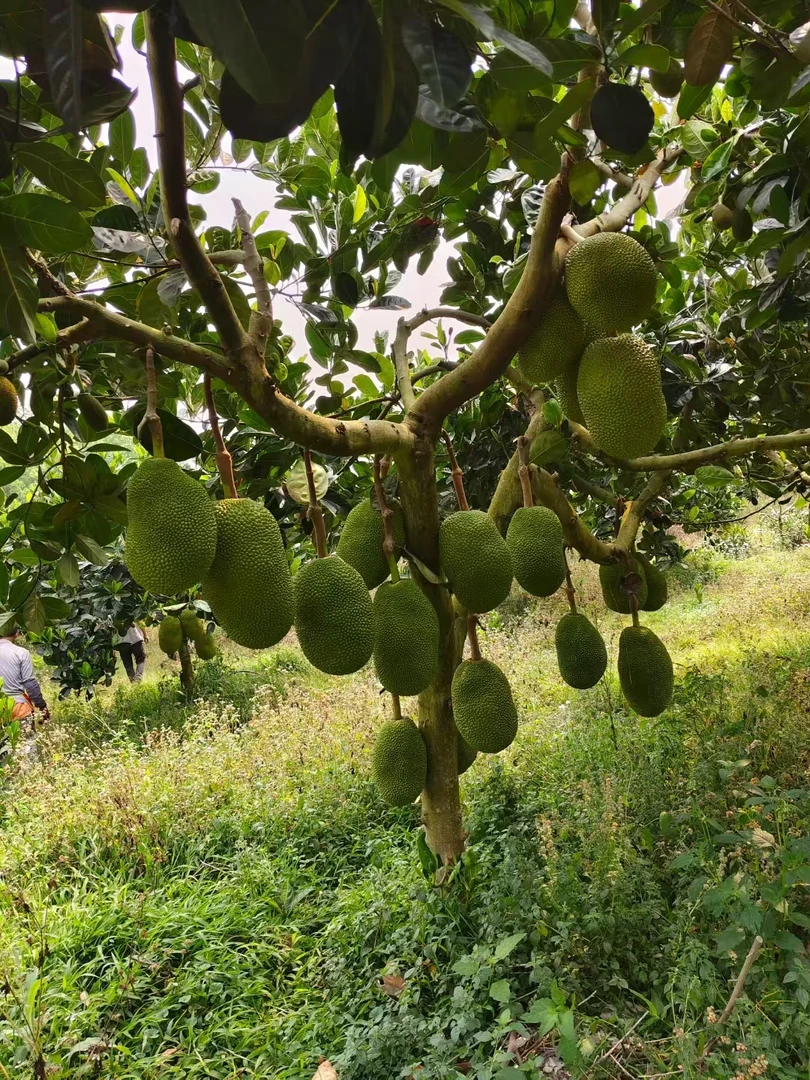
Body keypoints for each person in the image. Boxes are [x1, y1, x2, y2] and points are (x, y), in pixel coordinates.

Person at [0, 629, 50, 757]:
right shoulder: (21, 652)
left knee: (3, 750)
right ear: (17, 633)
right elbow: (30, 684)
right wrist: (42, 707)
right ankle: (30, 767)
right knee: (29, 744)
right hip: (19, 706)